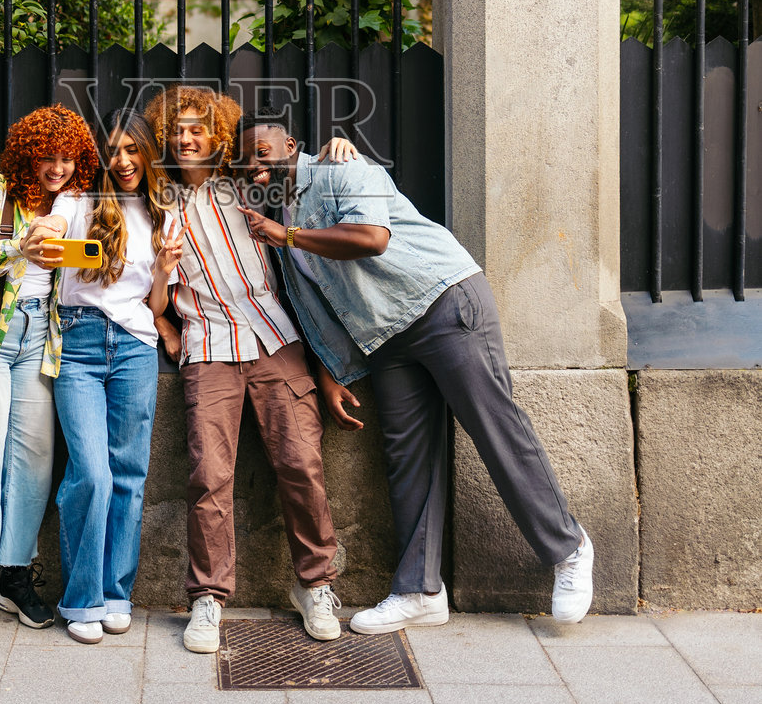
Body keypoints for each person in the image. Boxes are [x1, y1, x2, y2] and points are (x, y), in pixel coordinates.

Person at [238, 107, 595, 629]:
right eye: (243, 162)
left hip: (441, 301)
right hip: (386, 338)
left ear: (291, 145)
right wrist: (330, 371)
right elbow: (312, 304)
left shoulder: (344, 170)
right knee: (407, 457)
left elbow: (370, 238)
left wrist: (285, 236)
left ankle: (569, 548)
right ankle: (421, 591)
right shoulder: (282, 221)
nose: (253, 166)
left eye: (262, 153)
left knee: (494, 428)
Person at [144, 84, 359, 654]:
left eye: (198, 128)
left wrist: (338, 148)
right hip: (208, 345)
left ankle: (315, 584)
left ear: (216, 132)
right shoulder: (155, 203)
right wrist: (164, 295)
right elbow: (149, 299)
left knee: (301, 463)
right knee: (209, 475)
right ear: (165, 136)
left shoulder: (247, 184)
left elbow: (303, 177)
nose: (187, 138)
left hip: (276, 339)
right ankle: (209, 597)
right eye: (177, 129)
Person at [0, 104, 99, 639]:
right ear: (26, 154)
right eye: (47, 157)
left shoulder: (70, 203)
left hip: (38, 339)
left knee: (34, 461)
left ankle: (13, 576)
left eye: (67, 158)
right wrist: (19, 247)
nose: (57, 167)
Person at [44, 110, 184, 645]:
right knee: (92, 474)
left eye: (132, 150)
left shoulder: (161, 213)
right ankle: (81, 599)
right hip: (78, 344)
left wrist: (167, 270)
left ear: (146, 154)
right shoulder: (76, 202)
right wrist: (45, 235)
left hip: (135, 345)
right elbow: (52, 230)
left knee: (128, 473)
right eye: (113, 151)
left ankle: (115, 591)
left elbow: (155, 303)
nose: (122, 161)